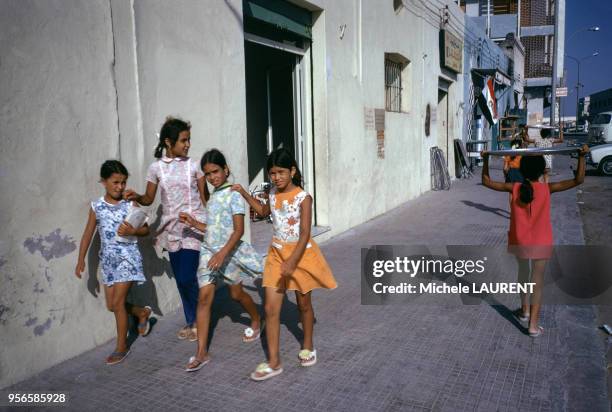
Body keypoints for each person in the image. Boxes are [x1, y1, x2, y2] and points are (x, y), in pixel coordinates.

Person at [233, 148, 337, 381]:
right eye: (272, 173)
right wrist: (244, 194)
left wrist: (292, 261)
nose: (276, 177)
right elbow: (261, 212)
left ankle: (308, 343)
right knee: (270, 309)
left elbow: (305, 234)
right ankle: (274, 361)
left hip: (300, 256)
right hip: (276, 254)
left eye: (281, 172)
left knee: (304, 304)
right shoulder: (271, 192)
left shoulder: (303, 197)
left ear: (292, 171)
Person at [481, 145, 589, 337]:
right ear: (542, 170)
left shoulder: (513, 188)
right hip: (541, 241)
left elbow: (486, 181)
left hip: (519, 240)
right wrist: (582, 157)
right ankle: (532, 326)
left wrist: (486, 159)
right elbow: (579, 179)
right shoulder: (548, 188)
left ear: (522, 170)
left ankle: (524, 311)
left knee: (524, 275)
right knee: (536, 282)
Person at [179, 149, 263, 372]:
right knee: (204, 298)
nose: (212, 177)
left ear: (226, 170)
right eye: (208, 174)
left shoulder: (234, 194)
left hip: (229, 253)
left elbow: (238, 231)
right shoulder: (213, 197)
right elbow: (213, 229)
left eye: (216, 171)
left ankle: (257, 319)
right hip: (209, 252)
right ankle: (201, 353)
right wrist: (194, 223)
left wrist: (222, 254)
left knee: (237, 294)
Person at [124, 117, 207, 341]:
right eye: (183, 140)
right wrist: (137, 196)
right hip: (171, 229)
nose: (188, 144)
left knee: (187, 275)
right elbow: (149, 198)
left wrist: (212, 224)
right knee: (181, 280)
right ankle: (192, 321)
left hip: (192, 227)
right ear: (169, 143)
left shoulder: (195, 165)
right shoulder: (156, 168)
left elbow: (206, 198)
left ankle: (201, 320)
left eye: (189, 140)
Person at [75, 160, 153, 365]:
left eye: (123, 182)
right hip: (109, 262)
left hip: (128, 257)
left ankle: (121, 347)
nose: (120, 187)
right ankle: (141, 312)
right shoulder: (97, 206)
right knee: (112, 305)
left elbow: (146, 230)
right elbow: (87, 235)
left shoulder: (130, 204)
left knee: (117, 303)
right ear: (104, 182)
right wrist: (81, 260)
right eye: (115, 182)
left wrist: (133, 231)